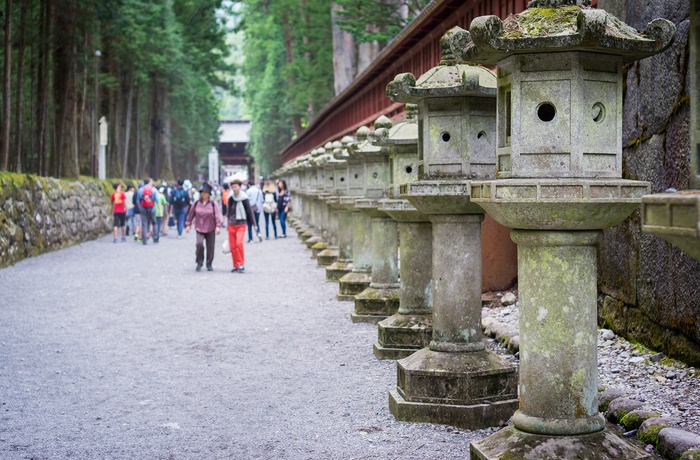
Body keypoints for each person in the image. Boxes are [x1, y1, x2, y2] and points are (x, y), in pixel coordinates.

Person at [185, 183, 222, 271]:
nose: (204, 194)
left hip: (211, 228)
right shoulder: (196, 203)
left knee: (210, 247)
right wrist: (188, 224)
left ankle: (209, 263)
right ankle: (199, 262)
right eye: (202, 192)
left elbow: (217, 215)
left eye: (206, 192)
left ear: (209, 194)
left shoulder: (213, 204)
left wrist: (218, 226)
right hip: (200, 228)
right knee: (199, 244)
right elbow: (191, 214)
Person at [227, 179, 257, 273]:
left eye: (236, 186)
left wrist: (254, 224)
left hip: (241, 224)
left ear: (239, 187)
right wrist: (228, 223)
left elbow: (249, 211)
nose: (235, 188)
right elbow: (229, 212)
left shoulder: (244, 198)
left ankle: (241, 263)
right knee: (232, 246)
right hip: (232, 224)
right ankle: (235, 265)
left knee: (239, 243)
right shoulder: (231, 198)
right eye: (233, 187)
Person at [136, 178, 159, 245]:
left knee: (144, 224)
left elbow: (138, 201)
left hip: (143, 209)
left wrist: (140, 208)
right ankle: (155, 237)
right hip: (152, 209)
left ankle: (144, 240)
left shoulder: (140, 190)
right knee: (154, 223)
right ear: (149, 182)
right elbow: (157, 200)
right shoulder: (154, 189)